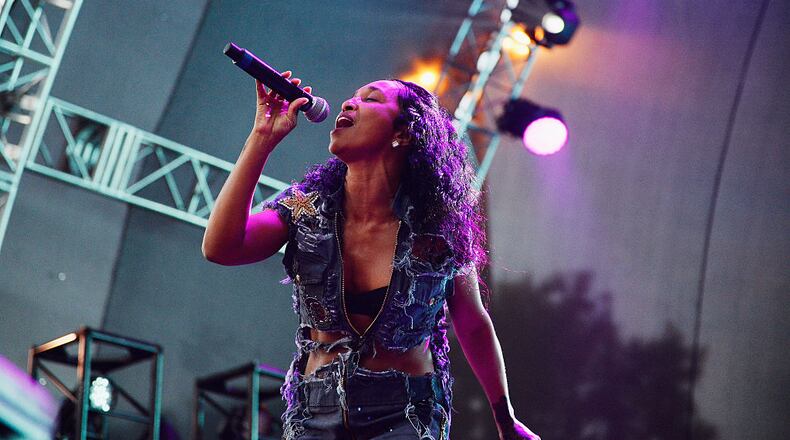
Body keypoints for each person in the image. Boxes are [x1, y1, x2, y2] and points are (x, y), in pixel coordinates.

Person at [202, 71, 540, 440]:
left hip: (406, 413)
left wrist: (506, 421)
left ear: (403, 133)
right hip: (315, 411)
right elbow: (220, 247)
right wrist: (262, 138)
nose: (349, 103)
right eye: (352, 97)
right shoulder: (305, 207)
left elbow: (473, 324)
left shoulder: (438, 229)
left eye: (371, 99)